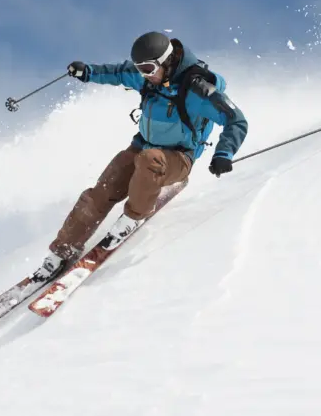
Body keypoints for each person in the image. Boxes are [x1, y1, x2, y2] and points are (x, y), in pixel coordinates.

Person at [35, 31, 248, 280]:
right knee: (103, 189)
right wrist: (88, 72)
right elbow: (116, 73)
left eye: (148, 68)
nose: (145, 75)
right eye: (140, 69)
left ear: (166, 62)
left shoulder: (197, 90)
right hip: (143, 147)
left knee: (150, 161)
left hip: (179, 158)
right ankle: (61, 251)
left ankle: (133, 215)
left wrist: (224, 153)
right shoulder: (149, 80)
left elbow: (236, 120)